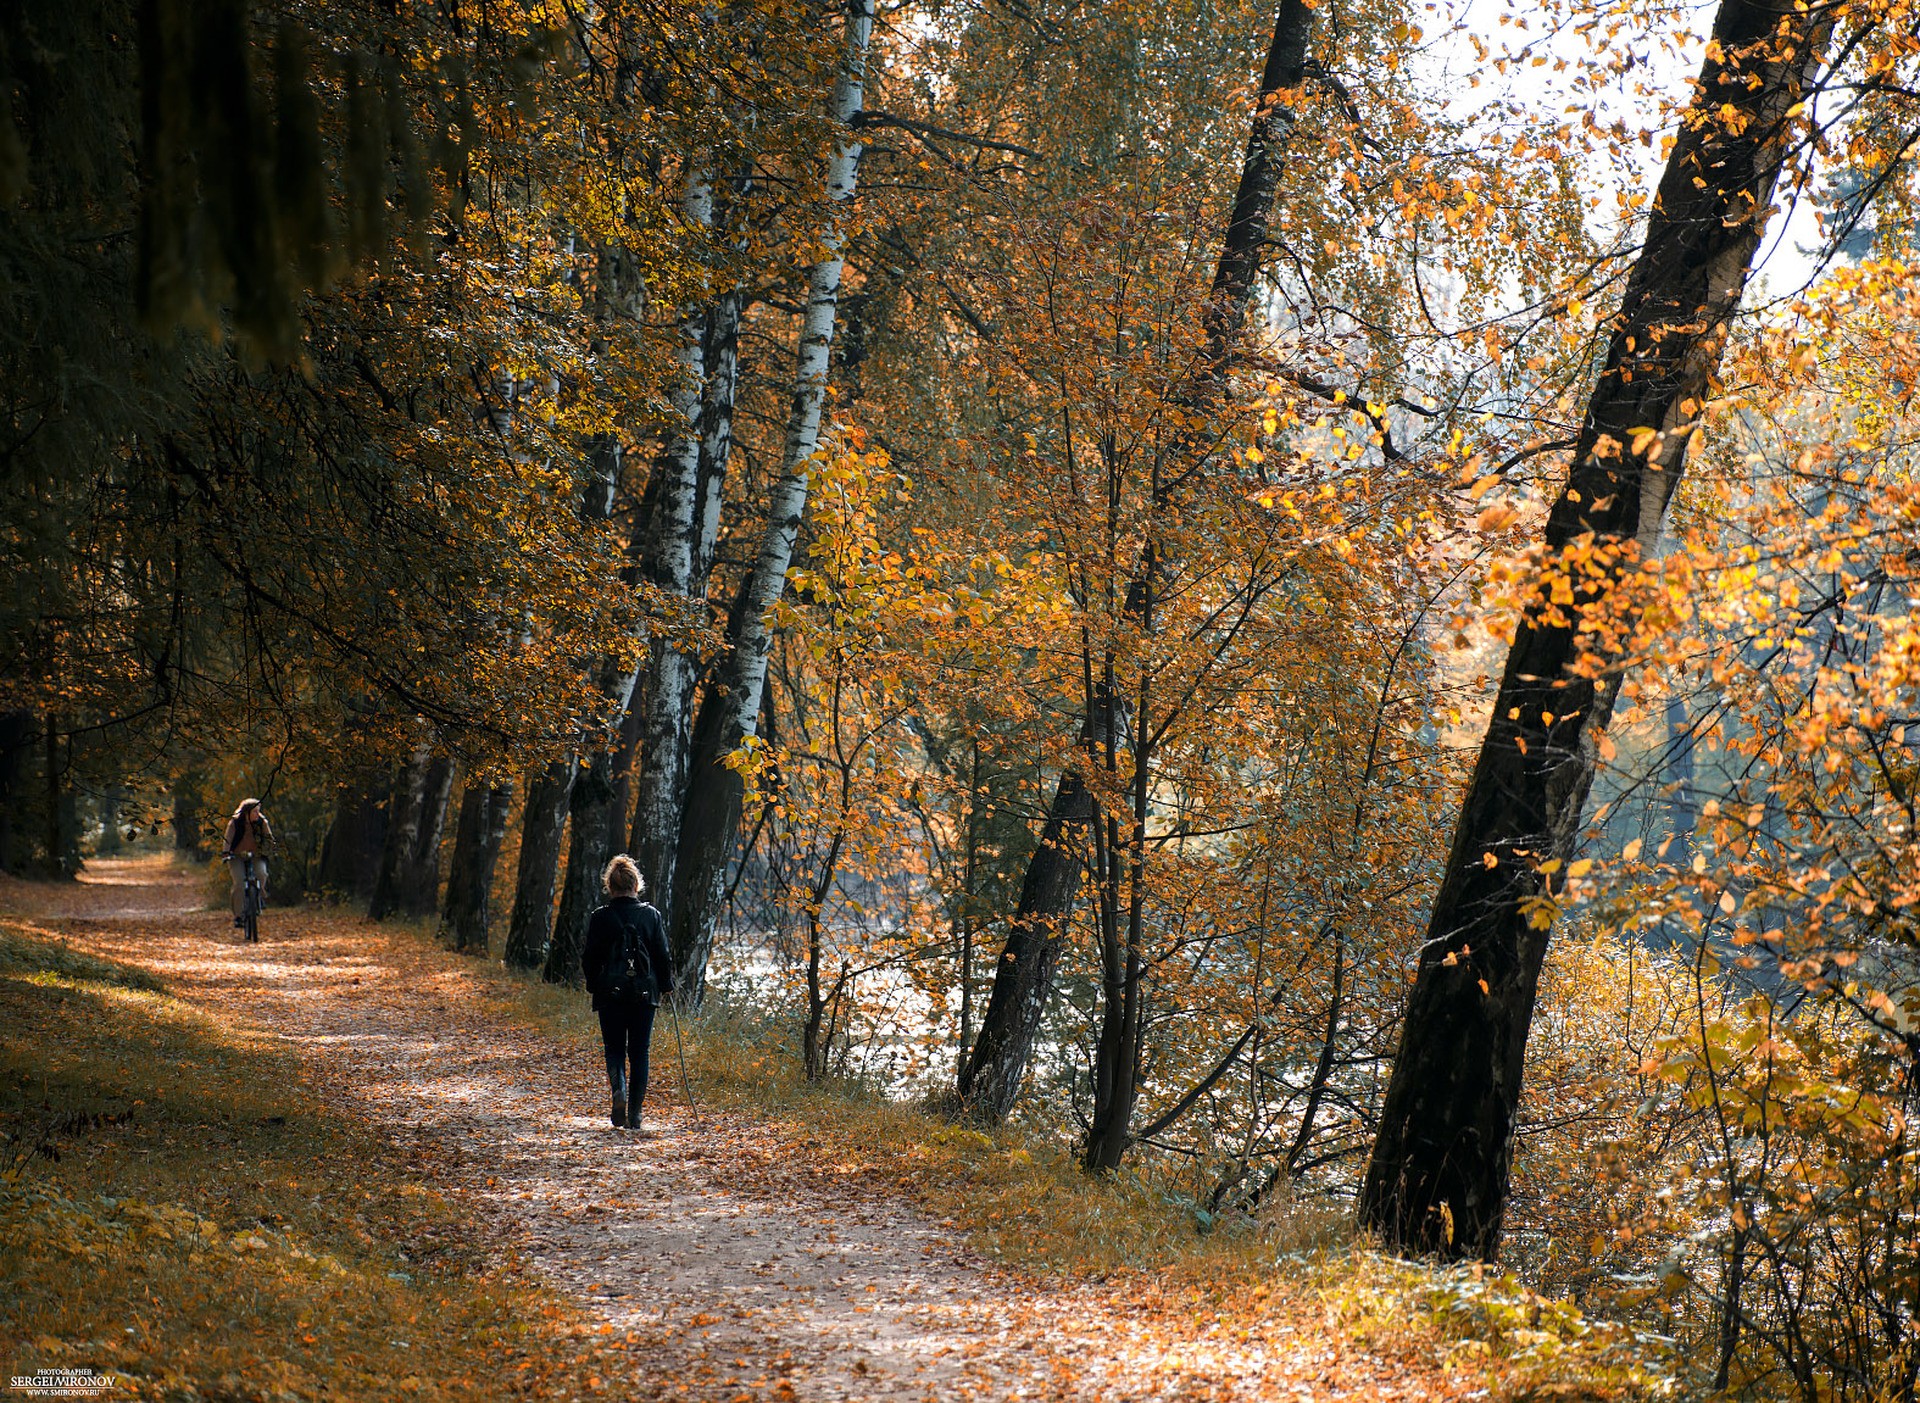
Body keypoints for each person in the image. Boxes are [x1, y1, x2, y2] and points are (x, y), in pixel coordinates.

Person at [580, 854, 674, 1131]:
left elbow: (589, 958)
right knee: (640, 1052)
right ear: (636, 885)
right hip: (644, 995)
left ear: (610, 886)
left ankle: (618, 1089)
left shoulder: (600, 918)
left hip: (610, 993)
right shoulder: (651, 915)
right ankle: (635, 1114)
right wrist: (666, 985)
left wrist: (593, 984)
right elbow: (662, 955)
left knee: (614, 1049)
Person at [221, 798, 274, 929]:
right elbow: (228, 839)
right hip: (236, 856)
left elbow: (269, 838)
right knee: (239, 883)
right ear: (247, 812)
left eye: (258, 811)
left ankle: (259, 897)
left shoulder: (262, 822)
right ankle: (238, 916)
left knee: (262, 874)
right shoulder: (235, 822)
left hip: (256, 855)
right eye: (255, 812)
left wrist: (270, 849)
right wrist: (226, 853)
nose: (258, 814)